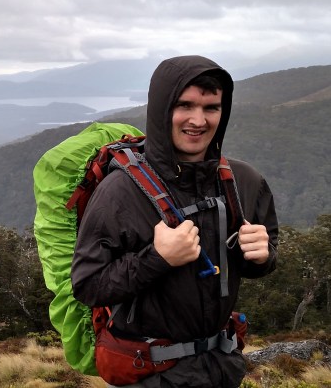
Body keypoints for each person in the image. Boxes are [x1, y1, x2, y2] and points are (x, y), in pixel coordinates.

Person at [71, 55, 278, 388]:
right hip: (149, 374)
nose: (198, 120)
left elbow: (263, 259)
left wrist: (262, 256)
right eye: (185, 105)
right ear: (161, 109)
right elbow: (88, 285)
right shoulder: (119, 191)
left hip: (221, 367)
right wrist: (157, 258)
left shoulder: (244, 181)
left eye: (211, 108)